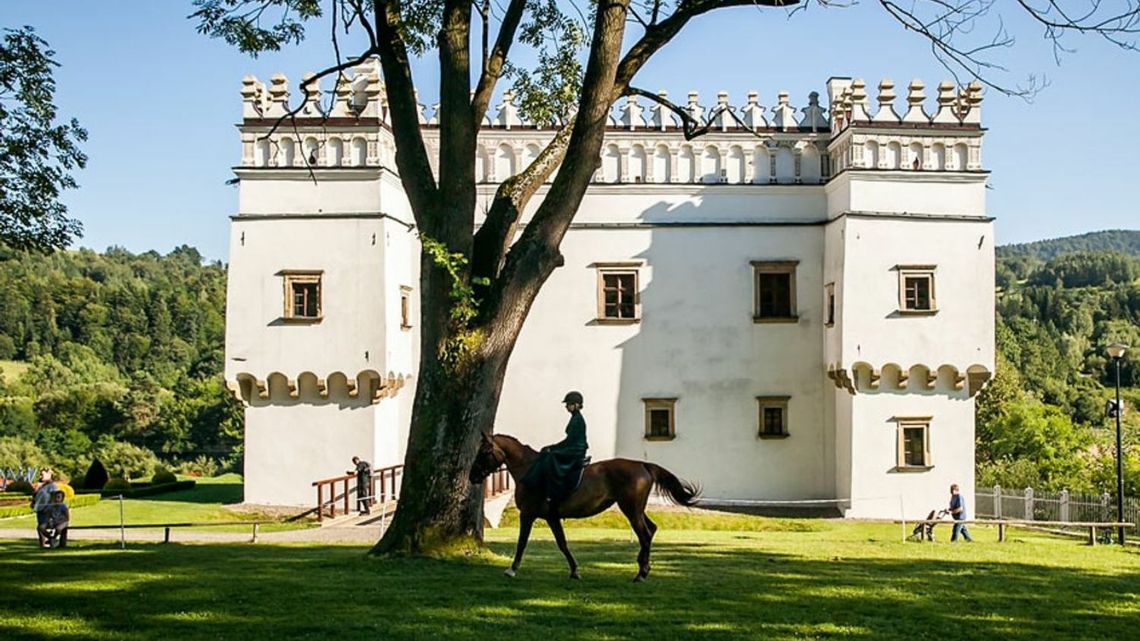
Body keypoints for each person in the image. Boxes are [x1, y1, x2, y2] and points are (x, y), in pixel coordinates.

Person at [520, 391, 590, 509]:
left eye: (569, 404)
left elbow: (570, 441)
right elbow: (568, 440)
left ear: (577, 405)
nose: (567, 407)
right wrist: (552, 447)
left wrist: (553, 449)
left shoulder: (578, 419)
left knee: (550, 458)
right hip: (572, 446)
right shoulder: (574, 418)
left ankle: (554, 492)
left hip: (576, 449)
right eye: (567, 404)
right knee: (548, 453)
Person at [31, 468, 59, 548]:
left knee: (41, 528)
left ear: (49, 475)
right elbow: (37, 497)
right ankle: (43, 545)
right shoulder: (42, 486)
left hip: (47, 510)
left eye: (42, 474)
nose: (40, 476)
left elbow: (55, 498)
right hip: (40, 510)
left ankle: (51, 540)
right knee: (40, 528)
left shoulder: (52, 486)